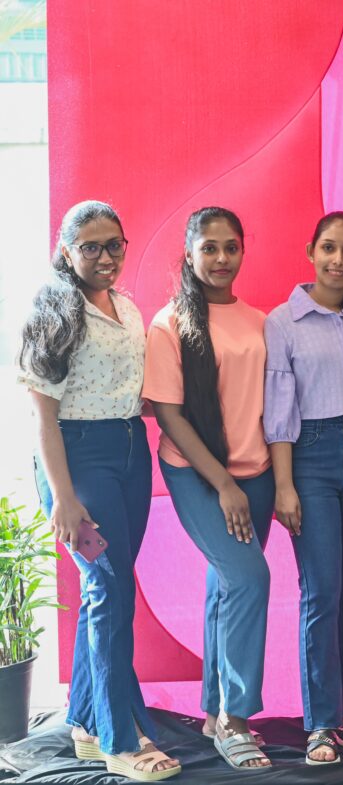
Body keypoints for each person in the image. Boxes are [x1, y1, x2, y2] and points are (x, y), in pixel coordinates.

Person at [19, 201, 181, 781]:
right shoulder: (53, 311)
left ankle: (86, 722)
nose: (106, 256)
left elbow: (127, 389)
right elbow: (42, 417)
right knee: (108, 591)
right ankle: (119, 739)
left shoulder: (127, 308)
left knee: (106, 592)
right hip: (77, 458)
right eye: (91, 247)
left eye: (115, 244)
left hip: (130, 453)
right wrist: (63, 497)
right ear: (67, 251)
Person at [263, 211, 343, 765]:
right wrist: (284, 485)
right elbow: (278, 411)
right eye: (329, 248)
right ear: (311, 252)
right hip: (310, 457)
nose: (338, 260)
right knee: (320, 590)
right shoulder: (283, 321)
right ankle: (319, 723)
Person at [143, 207, 274, 770]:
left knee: (227, 585)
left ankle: (212, 710)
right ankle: (236, 719)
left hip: (257, 472)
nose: (222, 258)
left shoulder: (261, 321)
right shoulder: (169, 323)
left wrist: (272, 480)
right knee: (249, 578)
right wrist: (222, 483)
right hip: (198, 474)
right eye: (209, 248)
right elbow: (168, 415)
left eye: (231, 247)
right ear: (190, 253)